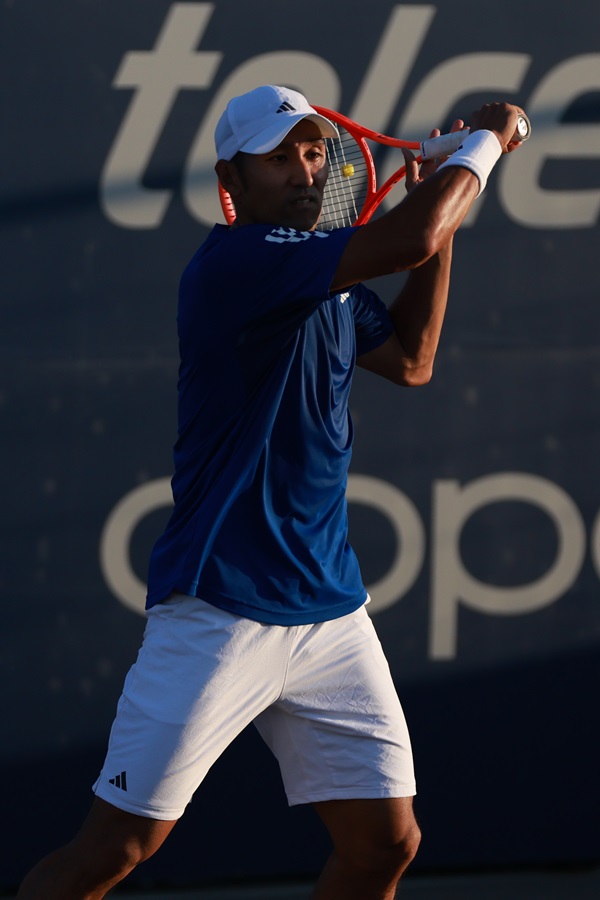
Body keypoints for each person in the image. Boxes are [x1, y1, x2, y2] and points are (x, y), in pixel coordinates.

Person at [17, 85, 524, 900]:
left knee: (385, 846)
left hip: (329, 612)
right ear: (233, 179)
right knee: (113, 851)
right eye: (279, 156)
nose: (304, 169)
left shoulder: (327, 277)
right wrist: (483, 146)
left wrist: (445, 214)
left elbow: (413, 360)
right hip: (218, 609)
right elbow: (412, 235)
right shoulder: (240, 264)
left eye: (314, 151)